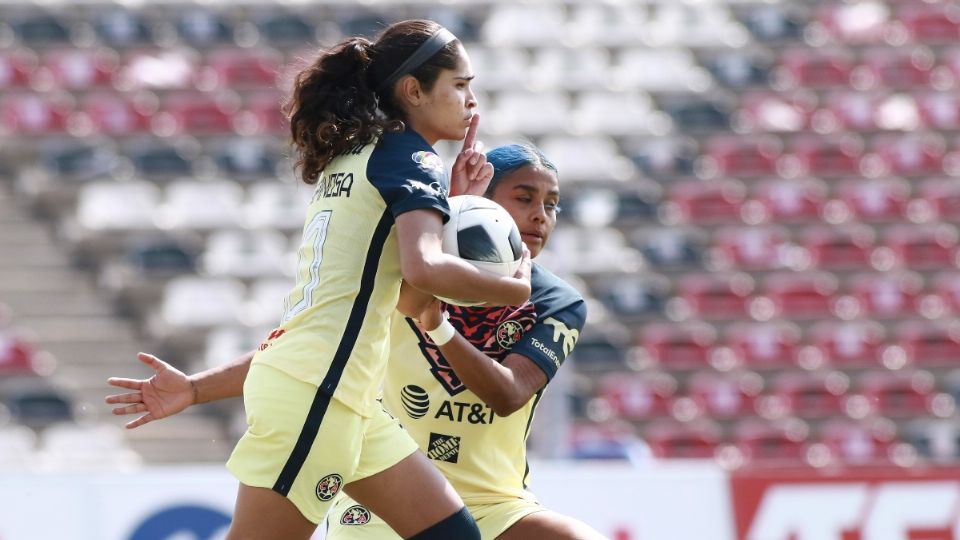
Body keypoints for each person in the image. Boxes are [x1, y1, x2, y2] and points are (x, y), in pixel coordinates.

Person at [108, 19, 532, 540]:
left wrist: (453, 202)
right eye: (460, 85)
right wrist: (513, 286)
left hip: (337, 394)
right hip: (321, 394)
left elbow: (402, 299)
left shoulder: (363, 156)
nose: (472, 100)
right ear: (413, 90)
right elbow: (423, 269)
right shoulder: (410, 156)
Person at [107, 144, 607, 539]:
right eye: (524, 198)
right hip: (382, 503)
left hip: (495, 506)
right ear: (476, 204)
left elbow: (507, 394)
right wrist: (195, 389)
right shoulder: (403, 274)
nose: (541, 215)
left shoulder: (556, 301)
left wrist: (437, 326)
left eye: (552, 204)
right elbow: (302, 354)